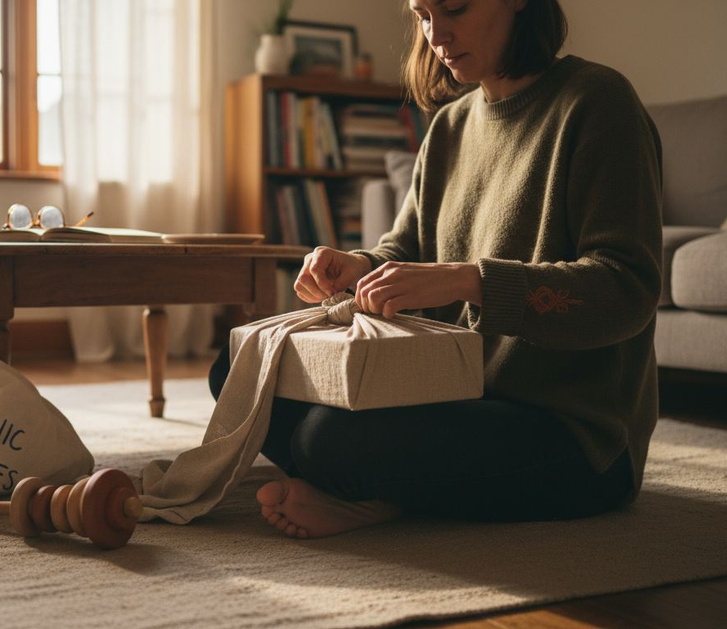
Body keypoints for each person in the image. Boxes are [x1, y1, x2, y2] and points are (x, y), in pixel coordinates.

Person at [209, 0, 662, 539]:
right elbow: (403, 249)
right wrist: (356, 268)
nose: (435, 34)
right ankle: (379, 488)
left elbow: (625, 290)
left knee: (326, 438)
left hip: (574, 437)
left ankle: (368, 488)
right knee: (239, 368)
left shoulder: (598, 101)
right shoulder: (449, 125)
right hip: (454, 394)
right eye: (422, 14)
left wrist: (470, 279)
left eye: (454, 8)